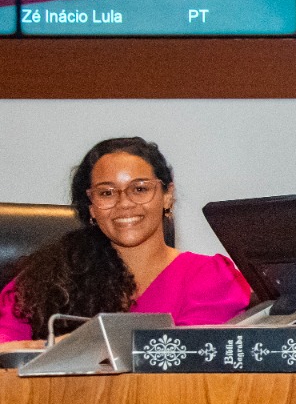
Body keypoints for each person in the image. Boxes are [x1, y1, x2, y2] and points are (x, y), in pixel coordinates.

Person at [0, 137, 251, 351]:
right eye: (107, 193)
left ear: (167, 195)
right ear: (91, 208)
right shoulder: (49, 277)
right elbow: (5, 348)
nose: (124, 203)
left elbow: (182, 355)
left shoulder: (211, 276)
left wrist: (60, 348)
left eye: (140, 189)